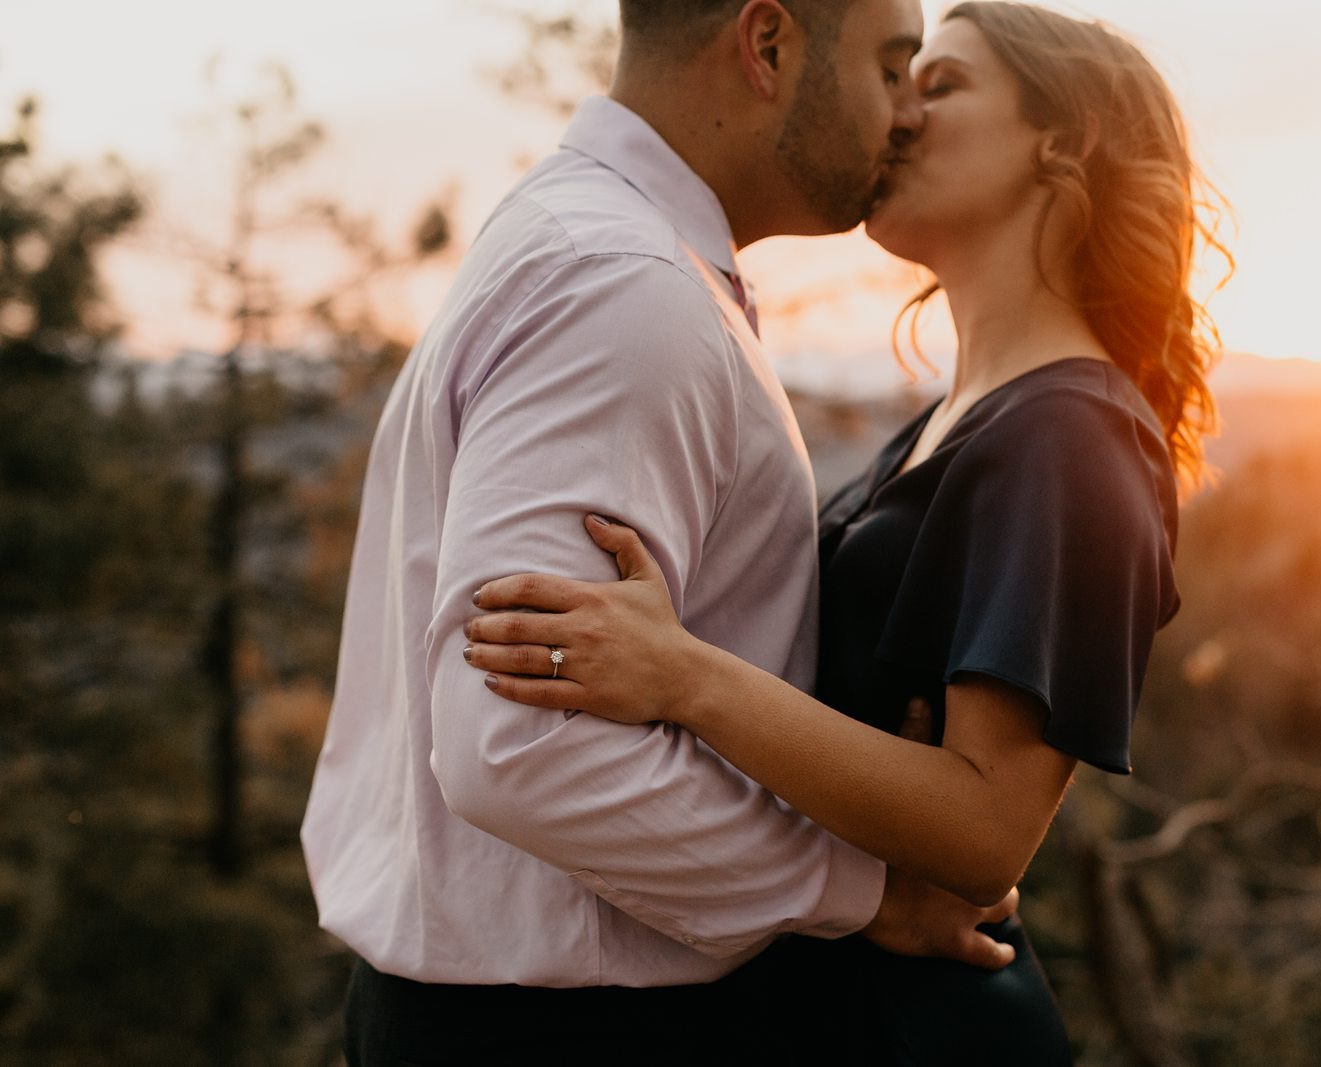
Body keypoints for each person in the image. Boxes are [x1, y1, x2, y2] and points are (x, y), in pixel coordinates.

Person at [462, 3, 1229, 1064]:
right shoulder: (957, 417)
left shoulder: (1071, 435)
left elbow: (985, 830)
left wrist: (684, 677)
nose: (901, 113)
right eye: (903, 76)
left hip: (929, 1026)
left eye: (943, 83)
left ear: (1065, 141)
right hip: (842, 1003)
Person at [299, 2, 1033, 1064]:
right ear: (767, 46)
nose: (905, 114)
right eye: (888, 66)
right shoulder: (625, 287)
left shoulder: (593, 243)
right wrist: (854, 889)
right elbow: (522, 746)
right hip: (576, 1029)